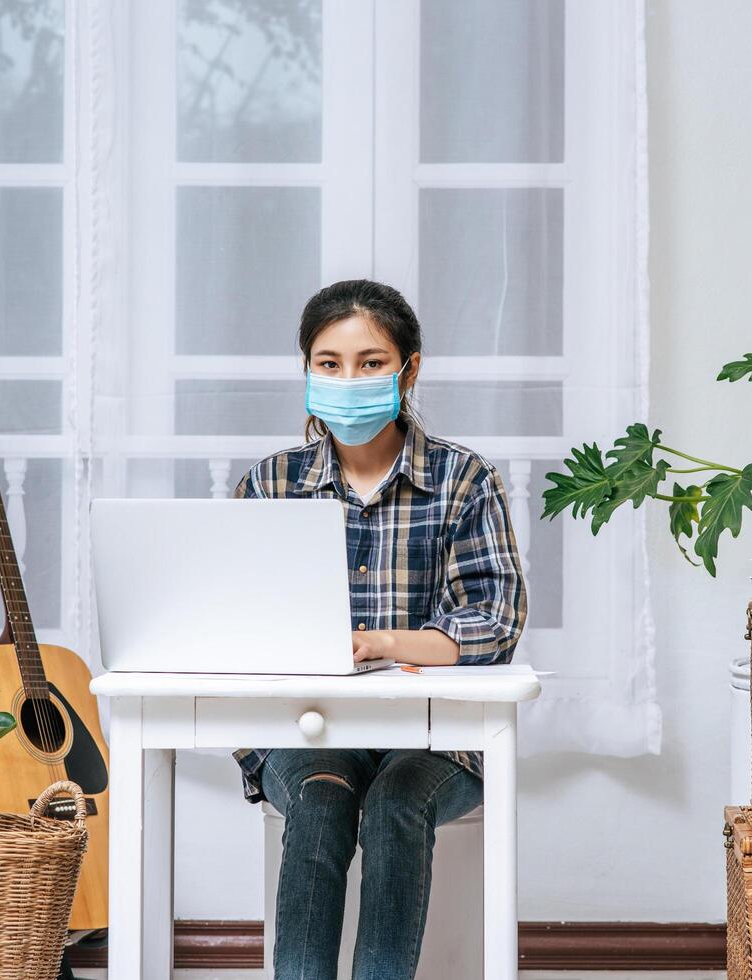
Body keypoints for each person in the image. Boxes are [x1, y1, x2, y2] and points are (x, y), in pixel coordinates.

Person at [231, 278, 528, 979]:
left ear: (408, 369)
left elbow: (495, 621)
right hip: (303, 731)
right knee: (321, 797)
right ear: (306, 370)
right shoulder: (269, 485)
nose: (348, 378)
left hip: (434, 738)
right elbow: (236, 620)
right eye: (328, 363)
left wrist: (379, 643)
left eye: (370, 362)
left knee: (396, 804)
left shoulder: (463, 480)